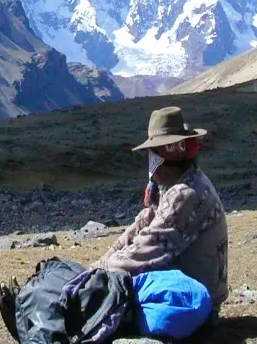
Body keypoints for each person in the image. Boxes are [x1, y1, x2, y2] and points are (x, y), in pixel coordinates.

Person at [90, 106, 229, 309]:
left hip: (192, 300)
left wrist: (97, 273)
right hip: (193, 292)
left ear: (160, 159)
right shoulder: (181, 185)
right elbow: (142, 225)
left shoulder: (184, 194)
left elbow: (148, 248)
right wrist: (100, 265)